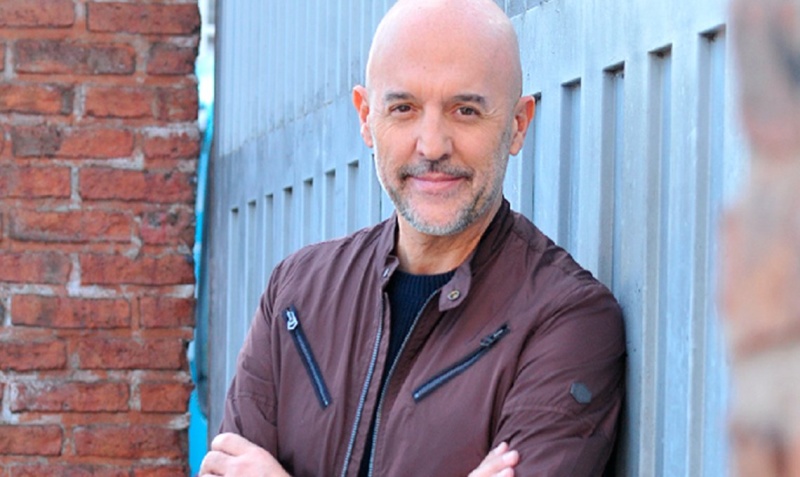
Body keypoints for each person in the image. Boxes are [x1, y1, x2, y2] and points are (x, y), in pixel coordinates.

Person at [200, 0, 625, 475]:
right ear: (366, 117)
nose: (433, 145)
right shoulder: (298, 291)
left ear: (517, 125)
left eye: (465, 110)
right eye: (404, 108)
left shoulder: (565, 320)